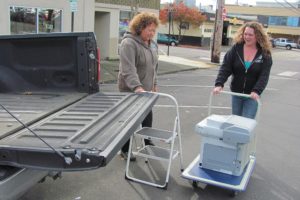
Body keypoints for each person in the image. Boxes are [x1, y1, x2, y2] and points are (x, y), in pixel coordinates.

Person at [117, 12, 159, 161]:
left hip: (146, 90)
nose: (152, 33)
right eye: (149, 30)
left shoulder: (151, 44)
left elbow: (154, 66)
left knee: (147, 117)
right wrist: (137, 87)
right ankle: (124, 149)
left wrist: (154, 84)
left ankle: (147, 141)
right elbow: (128, 69)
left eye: (154, 30)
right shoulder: (128, 43)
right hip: (131, 90)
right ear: (140, 28)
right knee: (129, 121)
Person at [213, 22, 273, 119]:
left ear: (258, 36)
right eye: (245, 34)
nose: (247, 37)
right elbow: (226, 67)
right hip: (236, 94)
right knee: (235, 123)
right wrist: (219, 84)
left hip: (252, 96)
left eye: (250, 35)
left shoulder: (265, 54)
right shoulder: (236, 49)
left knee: (246, 124)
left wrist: (257, 91)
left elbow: (264, 75)